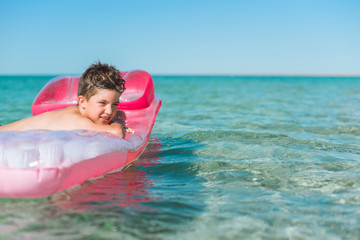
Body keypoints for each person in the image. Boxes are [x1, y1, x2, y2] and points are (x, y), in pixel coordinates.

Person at [0, 62, 131, 138]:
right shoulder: (75, 120)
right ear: (82, 102)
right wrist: (118, 121)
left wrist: (117, 118)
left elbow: (119, 114)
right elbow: (117, 133)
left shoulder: (80, 114)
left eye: (115, 104)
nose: (110, 111)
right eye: (102, 103)